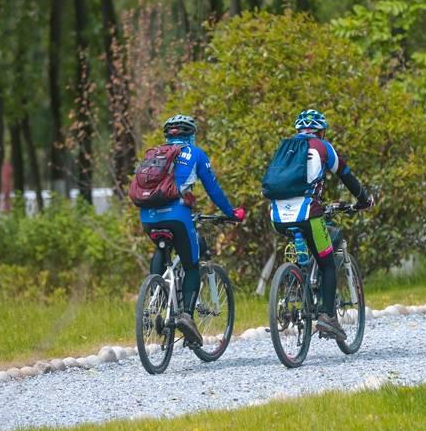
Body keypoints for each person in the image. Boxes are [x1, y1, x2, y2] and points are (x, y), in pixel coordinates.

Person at [140, 114, 245, 347]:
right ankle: (186, 314)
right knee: (191, 265)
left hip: (147, 217)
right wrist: (230, 212)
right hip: (177, 216)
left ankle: (154, 298)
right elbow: (213, 189)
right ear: (192, 135)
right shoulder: (196, 154)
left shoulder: (154, 155)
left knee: (161, 247)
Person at [267, 109, 373, 342]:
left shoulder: (284, 148)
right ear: (321, 130)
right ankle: (327, 316)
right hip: (308, 213)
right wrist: (364, 199)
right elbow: (345, 175)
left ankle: (296, 284)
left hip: (277, 216)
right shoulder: (323, 147)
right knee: (326, 263)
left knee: (303, 244)